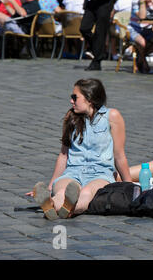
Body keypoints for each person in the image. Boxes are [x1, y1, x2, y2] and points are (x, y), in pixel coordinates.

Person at [29, 78, 132, 220]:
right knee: (62, 191)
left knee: (86, 193)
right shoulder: (70, 117)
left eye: (75, 97)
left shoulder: (112, 116)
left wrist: (129, 186)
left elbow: (119, 155)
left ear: (89, 99)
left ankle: (59, 208)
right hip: (72, 171)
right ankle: (53, 204)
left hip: (100, 173)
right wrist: (51, 185)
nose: (71, 101)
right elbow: (63, 155)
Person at [79, 0, 123, 71]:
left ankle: (96, 62)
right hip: (92, 0)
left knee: (100, 31)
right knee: (84, 28)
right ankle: (98, 50)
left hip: (105, 2)